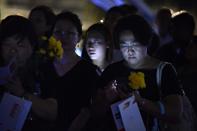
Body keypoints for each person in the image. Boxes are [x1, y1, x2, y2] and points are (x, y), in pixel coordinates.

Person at [98, 14, 182, 131]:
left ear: (146, 42)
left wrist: (141, 102)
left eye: (135, 44)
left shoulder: (163, 70)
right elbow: (96, 113)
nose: (129, 50)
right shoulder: (112, 71)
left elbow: (175, 113)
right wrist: (105, 100)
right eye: (124, 44)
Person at [0, 15, 57, 131]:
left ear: (32, 47)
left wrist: (21, 93)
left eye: (20, 45)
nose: (13, 50)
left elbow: (51, 112)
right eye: (7, 44)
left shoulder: (43, 72)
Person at [49, 11, 100, 131]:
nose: (63, 36)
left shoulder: (89, 71)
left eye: (70, 33)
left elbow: (91, 108)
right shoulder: (42, 66)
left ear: (78, 38)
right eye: (58, 32)